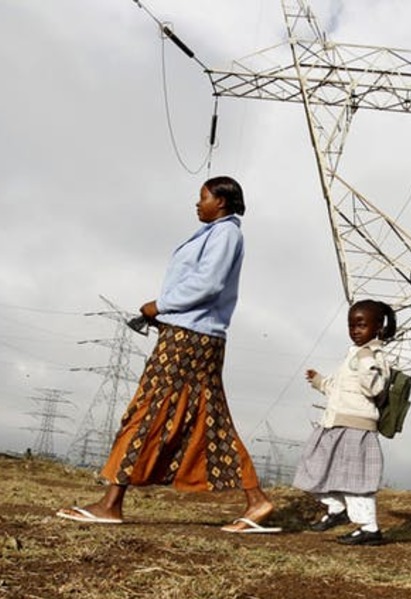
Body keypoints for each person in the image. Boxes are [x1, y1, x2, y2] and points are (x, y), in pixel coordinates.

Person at [57, 176, 278, 534]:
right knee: (208, 417)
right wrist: (168, 318)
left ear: (221, 201)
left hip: (191, 338)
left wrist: (159, 306)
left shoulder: (225, 234)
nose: (197, 203)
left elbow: (208, 284)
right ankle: (257, 501)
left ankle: (111, 504)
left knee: (148, 410)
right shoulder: (217, 233)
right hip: (192, 334)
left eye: (203, 197)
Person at [292, 299, 396, 546]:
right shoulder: (356, 354)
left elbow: (373, 388)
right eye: (351, 325)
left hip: (356, 427)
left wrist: (367, 360)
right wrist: (319, 381)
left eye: (361, 325)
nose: (355, 330)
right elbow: (340, 389)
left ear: (378, 327)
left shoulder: (374, 356)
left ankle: (369, 528)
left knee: (354, 480)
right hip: (335, 424)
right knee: (312, 467)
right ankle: (337, 508)